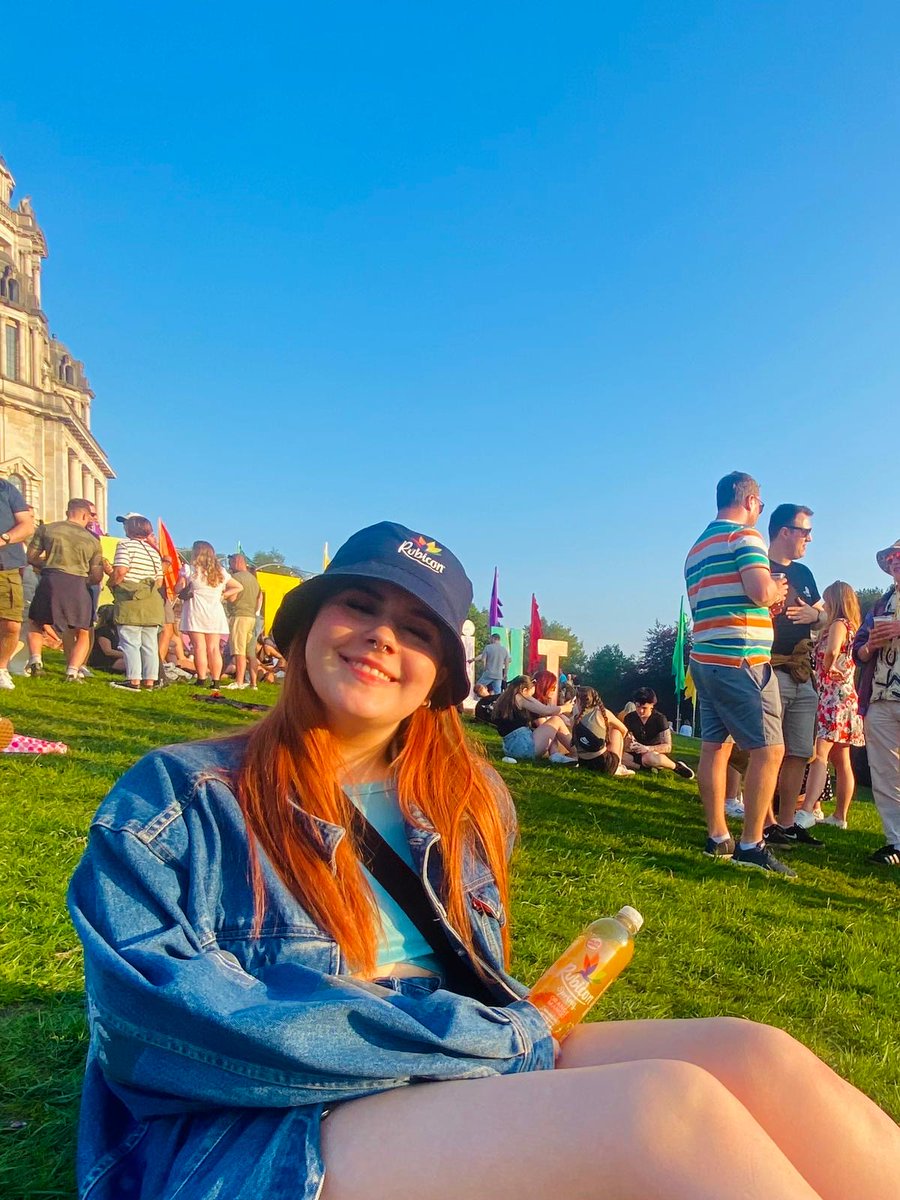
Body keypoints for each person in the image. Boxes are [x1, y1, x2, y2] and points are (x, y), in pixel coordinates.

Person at [67, 518, 900, 1200]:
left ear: (440, 676)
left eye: (418, 628)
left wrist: (486, 1044)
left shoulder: (465, 800)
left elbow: (473, 989)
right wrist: (489, 1044)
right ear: (305, 624)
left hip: (450, 1058)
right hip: (254, 1127)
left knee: (757, 1055)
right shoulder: (179, 796)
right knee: (663, 1112)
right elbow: (157, 1029)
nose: (382, 638)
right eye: (358, 605)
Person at [684, 472, 793, 874]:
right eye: (761, 506)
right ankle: (751, 844)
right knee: (770, 750)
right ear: (750, 501)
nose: (759, 512)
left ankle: (718, 836)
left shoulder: (696, 548)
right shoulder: (745, 538)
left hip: (706, 659)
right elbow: (760, 592)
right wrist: (776, 591)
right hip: (741, 659)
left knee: (715, 746)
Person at [764, 504, 827, 851]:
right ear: (784, 531)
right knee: (768, 750)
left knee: (800, 751)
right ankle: (765, 821)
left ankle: (786, 823)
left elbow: (824, 614)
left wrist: (812, 614)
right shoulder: (757, 564)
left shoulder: (803, 573)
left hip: (802, 674)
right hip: (769, 669)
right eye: (804, 531)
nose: (809, 538)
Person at [795, 583, 865, 830]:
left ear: (835, 601)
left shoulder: (838, 625)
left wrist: (827, 665)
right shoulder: (852, 627)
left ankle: (807, 810)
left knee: (820, 753)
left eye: (826, 601)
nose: (823, 605)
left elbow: (833, 650)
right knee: (842, 759)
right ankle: (840, 816)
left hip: (831, 696)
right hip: (846, 697)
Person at [851, 538, 900, 866]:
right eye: (892, 558)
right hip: (881, 696)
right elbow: (858, 647)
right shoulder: (880, 605)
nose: (895, 561)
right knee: (885, 772)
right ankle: (896, 842)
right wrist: (869, 647)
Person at [26, 498, 104, 682]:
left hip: (50, 579)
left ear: (68, 512)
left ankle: (36, 660)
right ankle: (72, 671)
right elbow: (97, 574)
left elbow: (31, 556)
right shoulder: (92, 540)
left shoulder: (47, 529)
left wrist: (47, 566)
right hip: (78, 583)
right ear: (85, 515)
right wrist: (87, 581)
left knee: (36, 621)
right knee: (82, 630)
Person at [106, 514, 165, 692]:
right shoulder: (153, 551)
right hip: (151, 601)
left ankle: (133, 679)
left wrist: (112, 583)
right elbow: (159, 581)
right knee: (149, 643)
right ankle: (150, 680)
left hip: (131, 599)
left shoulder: (125, 545)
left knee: (130, 641)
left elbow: (121, 571)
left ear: (130, 529)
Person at [179, 541, 242, 687]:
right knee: (214, 648)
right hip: (215, 613)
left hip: (196, 611)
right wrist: (223, 595)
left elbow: (178, 588)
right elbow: (238, 587)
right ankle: (216, 680)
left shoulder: (189, 570)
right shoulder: (220, 572)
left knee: (199, 647)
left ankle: (201, 678)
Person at [0, 475, 35, 690]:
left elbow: (26, 525)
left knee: (11, 625)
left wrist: (4, 538)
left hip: (7, 565)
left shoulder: (6, 488)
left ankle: (1, 669)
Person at [492, 674, 575, 761]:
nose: (531, 697)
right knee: (556, 721)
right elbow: (545, 710)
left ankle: (557, 754)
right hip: (524, 747)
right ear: (524, 690)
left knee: (552, 721)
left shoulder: (507, 699)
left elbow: (542, 709)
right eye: (530, 694)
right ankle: (577, 754)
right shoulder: (520, 698)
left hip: (511, 748)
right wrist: (565, 708)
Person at [621, 687, 696, 780]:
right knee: (618, 756)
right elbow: (626, 740)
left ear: (652, 705)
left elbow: (668, 747)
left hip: (654, 753)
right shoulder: (629, 718)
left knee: (649, 758)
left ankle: (676, 767)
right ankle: (645, 768)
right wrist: (629, 745)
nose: (640, 711)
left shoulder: (659, 719)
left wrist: (647, 748)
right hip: (635, 753)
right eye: (638, 707)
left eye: (644, 708)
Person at [571, 686, 633, 775]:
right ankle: (617, 766)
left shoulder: (574, 718)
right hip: (603, 763)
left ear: (579, 702)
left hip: (583, 763)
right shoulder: (602, 713)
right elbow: (624, 729)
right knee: (616, 731)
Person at [224, 553, 262, 690]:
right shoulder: (254, 580)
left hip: (239, 616)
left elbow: (232, 598)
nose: (230, 566)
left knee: (239, 650)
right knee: (251, 653)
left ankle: (239, 682)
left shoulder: (235, 578)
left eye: (231, 563)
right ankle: (253, 683)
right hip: (252, 617)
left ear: (236, 562)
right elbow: (258, 601)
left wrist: (224, 596)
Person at [88, 604, 126, 674]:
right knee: (129, 662)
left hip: (116, 657)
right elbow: (108, 651)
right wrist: (127, 655)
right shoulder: (103, 631)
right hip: (104, 660)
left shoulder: (116, 630)